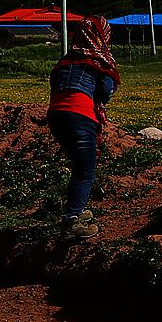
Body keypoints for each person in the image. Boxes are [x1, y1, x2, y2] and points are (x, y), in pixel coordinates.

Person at [47, 15, 120, 240]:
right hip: (80, 116)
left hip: (56, 116)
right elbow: (106, 91)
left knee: (78, 166)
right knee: (85, 171)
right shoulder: (99, 60)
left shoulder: (65, 60)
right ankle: (71, 220)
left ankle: (73, 208)